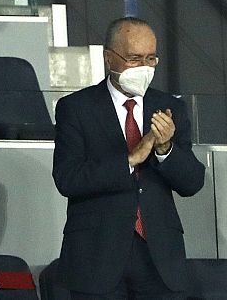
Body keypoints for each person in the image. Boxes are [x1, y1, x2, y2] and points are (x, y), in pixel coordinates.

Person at [52, 17, 205, 299]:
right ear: (109, 58)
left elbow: (193, 182)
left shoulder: (170, 108)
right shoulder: (75, 108)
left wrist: (164, 149)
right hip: (96, 255)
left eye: (151, 59)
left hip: (159, 257)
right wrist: (130, 159)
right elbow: (68, 179)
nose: (144, 68)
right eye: (134, 58)